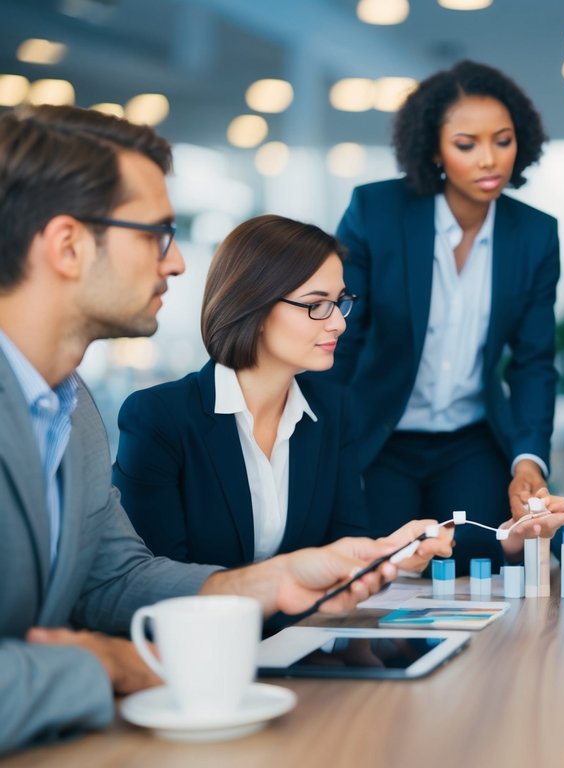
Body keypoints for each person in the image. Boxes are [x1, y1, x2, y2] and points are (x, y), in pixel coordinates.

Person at [0, 105, 450, 754]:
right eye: (156, 233)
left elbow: (113, 580)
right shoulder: (142, 415)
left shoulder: (77, 416)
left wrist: (275, 581)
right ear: (68, 245)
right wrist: (104, 666)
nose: (178, 263)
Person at [327, 61, 562, 560]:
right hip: (382, 436)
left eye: (502, 140)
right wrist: (327, 444)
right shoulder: (376, 212)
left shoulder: (534, 234)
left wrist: (529, 460)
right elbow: (340, 338)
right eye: (466, 144)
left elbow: (534, 361)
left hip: (470, 441)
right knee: (385, 567)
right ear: (433, 149)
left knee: (483, 559)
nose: (488, 160)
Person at [113, 215, 372, 567]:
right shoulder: (159, 418)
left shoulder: (334, 410)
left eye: (340, 301)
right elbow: (155, 581)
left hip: (307, 623)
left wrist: (390, 555)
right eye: (316, 305)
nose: (339, 323)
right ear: (257, 307)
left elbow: (347, 556)